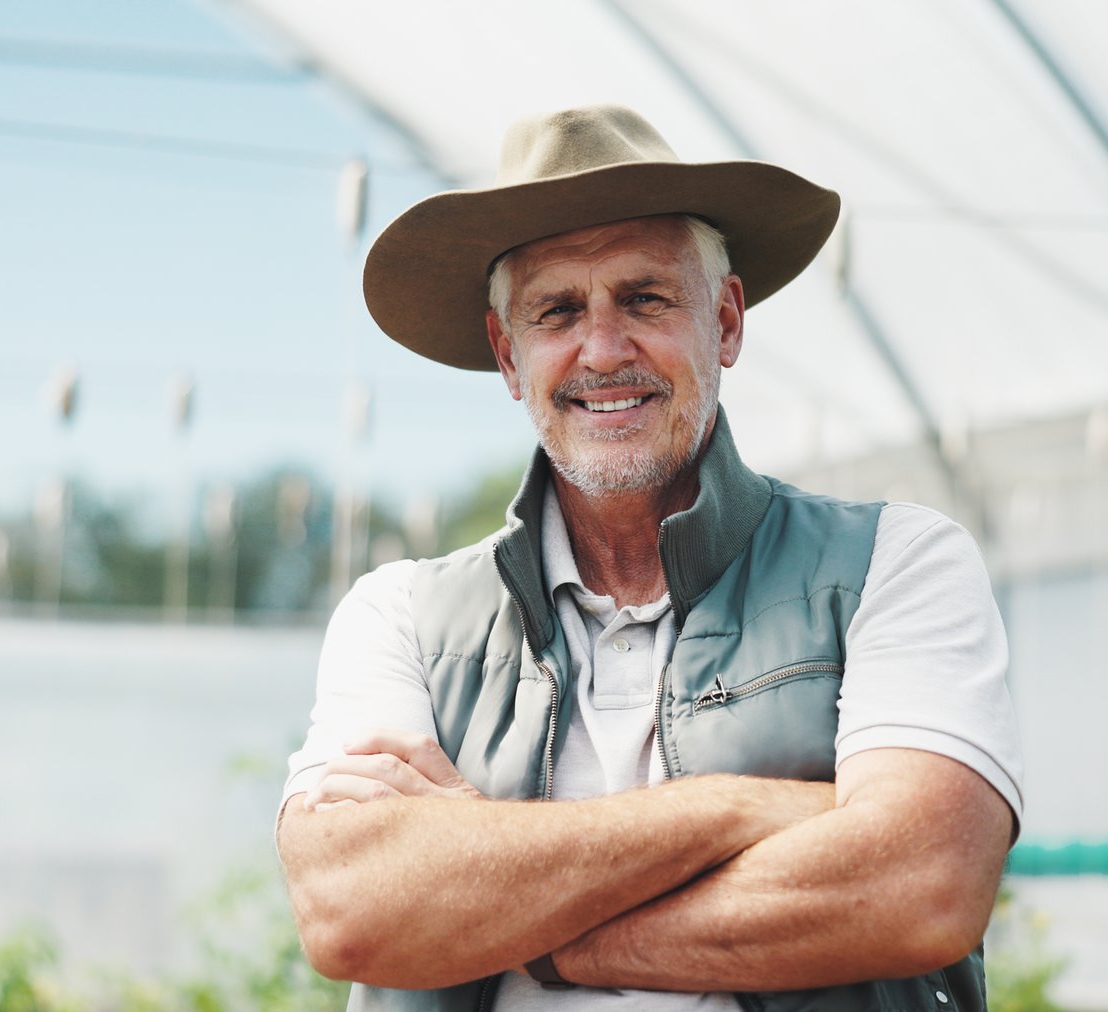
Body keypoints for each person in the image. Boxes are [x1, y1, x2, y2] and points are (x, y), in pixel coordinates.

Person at [275, 105, 1023, 1012]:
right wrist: (750, 810)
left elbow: (919, 890)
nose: (603, 348)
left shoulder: (894, 564)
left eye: (645, 298)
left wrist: (521, 918)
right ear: (510, 358)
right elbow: (350, 912)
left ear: (728, 322)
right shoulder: (399, 616)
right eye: (558, 310)